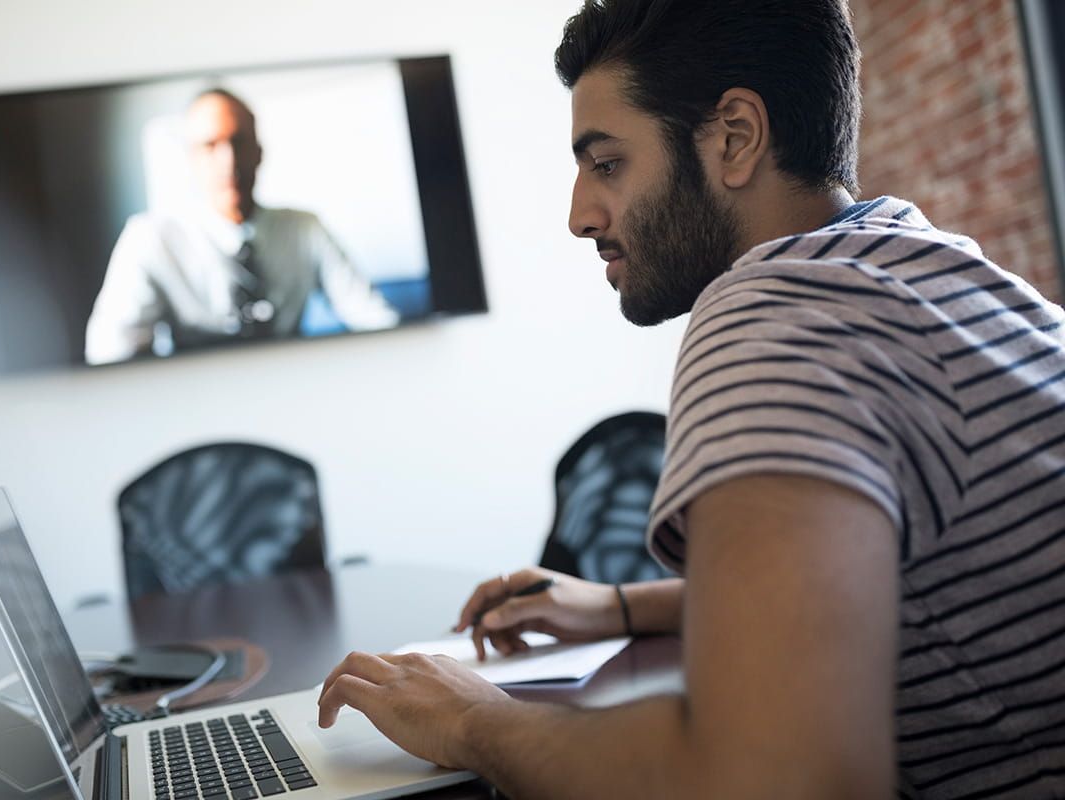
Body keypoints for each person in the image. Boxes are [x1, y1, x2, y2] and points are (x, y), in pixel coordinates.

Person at [315, 1, 1065, 797]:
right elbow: (875, 577)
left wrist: (471, 721)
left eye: (606, 163)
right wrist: (621, 607)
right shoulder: (919, 266)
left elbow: (775, 781)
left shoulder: (774, 317)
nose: (579, 216)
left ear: (735, 138)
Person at [84, 88, 398, 365]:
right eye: (210, 145)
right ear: (191, 159)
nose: (229, 160)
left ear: (259, 153)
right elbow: (110, 354)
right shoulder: (150, 239)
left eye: (239, 142)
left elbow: (374, 318)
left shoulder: (304, 229)